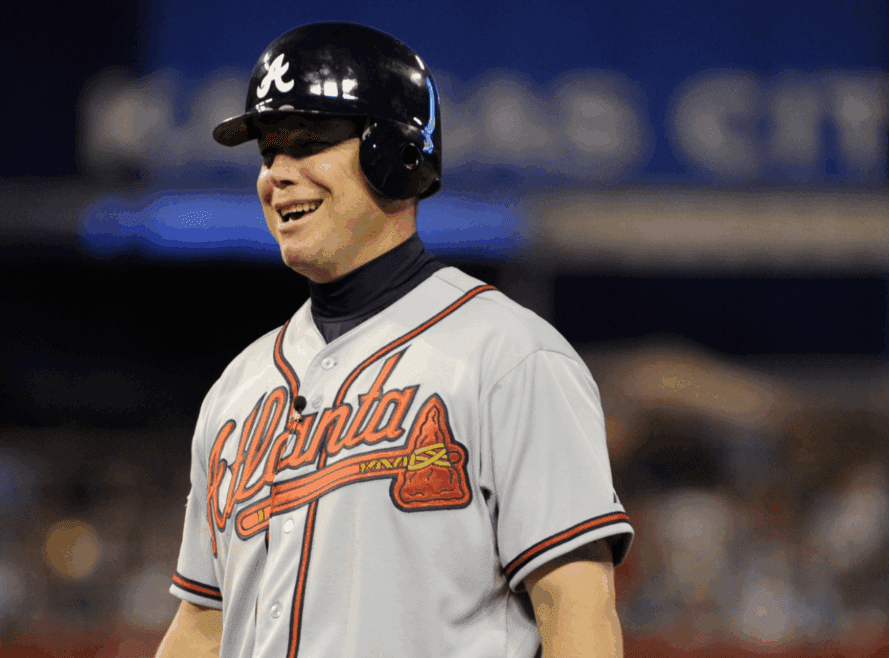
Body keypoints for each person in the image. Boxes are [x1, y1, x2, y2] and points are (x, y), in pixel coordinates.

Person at [156, 22, 633, 658]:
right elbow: (200, 627)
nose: (278, 175)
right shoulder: (237, 389)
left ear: (394, 153)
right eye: (269, 152)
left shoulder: (510, 356)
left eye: (309, 142)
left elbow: (579, 618)